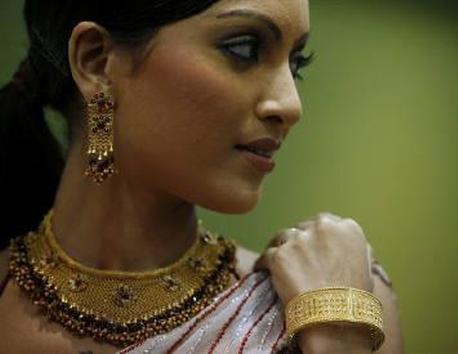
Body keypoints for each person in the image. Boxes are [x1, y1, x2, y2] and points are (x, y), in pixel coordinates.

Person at [0, 0, 404, 353]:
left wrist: (337, 341)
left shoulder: (337, 306)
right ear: (96, 61)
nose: (290, 105)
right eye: (244, 48)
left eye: (296, 63)